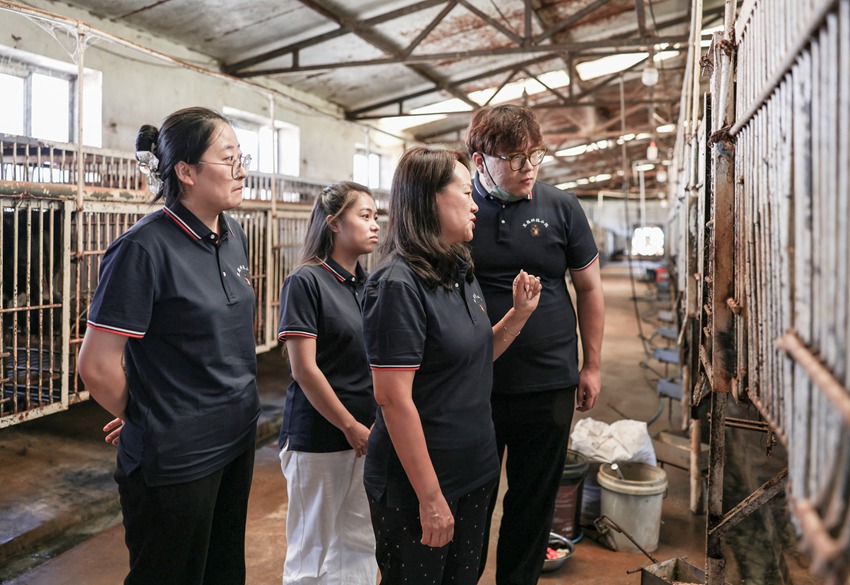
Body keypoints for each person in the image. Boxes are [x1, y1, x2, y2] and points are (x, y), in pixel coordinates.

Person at [78, 107, 260, 585]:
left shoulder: (233, 233)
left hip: (236, 439)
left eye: (243, 157)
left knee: (223, 571)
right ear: (186, 172)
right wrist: (149, 416)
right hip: (178, 459)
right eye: (228, 158)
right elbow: (97, 365)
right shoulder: (143, 248)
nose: (242, 170)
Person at [361, 146, 541, 585]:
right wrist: (429, 496)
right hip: (421, 482)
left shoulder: (459, 268)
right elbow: (392, 398)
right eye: (465, 192)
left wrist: (517, 316)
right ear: (429, 200)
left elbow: (473, 355)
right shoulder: (397, 284)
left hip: (475, 470)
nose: (476, 203)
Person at [464, 104, 605, 585]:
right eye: (515, 159)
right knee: (470, 498)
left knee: (533, 500)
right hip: (474, 385)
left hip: (548, 382)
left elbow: (589, 288)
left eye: (535, 155)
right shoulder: (458, 208)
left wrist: (592, 366)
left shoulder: (562, 207)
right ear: (480, 159)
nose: (530, 168)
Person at [276, 181, 380, 585]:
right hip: (320, 437)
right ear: (334, 223)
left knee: (358, 543)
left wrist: (365, 428)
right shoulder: (306, 282)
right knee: (312, 551)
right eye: (365, 216)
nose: (375, 226)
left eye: (376, 217)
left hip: (365, 436)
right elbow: (304, 369)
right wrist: (349, 426)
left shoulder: (367, 286)